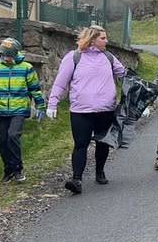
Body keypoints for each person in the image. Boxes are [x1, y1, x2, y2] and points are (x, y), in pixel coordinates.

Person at [47, 26, 126, 194]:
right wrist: (52, 103)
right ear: (92, 40)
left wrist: (139, 98)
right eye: (103, 38)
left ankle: (100, 171)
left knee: (102, 142)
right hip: (81, 111)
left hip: (105, 109)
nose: (106, 41)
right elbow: (60, 83)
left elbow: (125, 76)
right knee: (80, 144)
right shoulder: (74, 57)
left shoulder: (109, 57)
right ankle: (76, 179)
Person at [0, 38, 46, 183]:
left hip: (19, 109)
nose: (5, 58)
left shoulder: (26, 68)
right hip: (1, 110)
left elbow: (34, 90)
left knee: (13, 136)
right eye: (3, 55)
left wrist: (40, 106)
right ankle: (8, 169)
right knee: (3, 141)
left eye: (8, 55)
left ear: (15, 54)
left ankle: (18, 169)